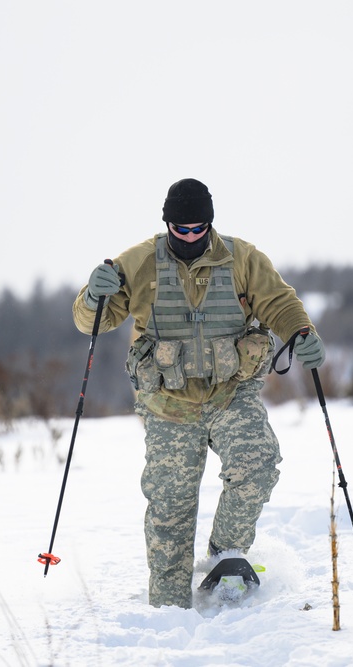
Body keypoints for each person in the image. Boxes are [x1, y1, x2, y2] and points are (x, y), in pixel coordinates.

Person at [72, 177, 325, 608]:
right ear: (167, 224)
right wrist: (93, 296)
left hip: (231, 392)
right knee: (170, 505)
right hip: (168, 403)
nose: (189, 237)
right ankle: (169, 609)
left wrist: (301, 332)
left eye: (198, 229)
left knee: (257, 461)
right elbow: (90, 320)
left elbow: (279, 303)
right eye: (181, 230)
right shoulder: (137, 263)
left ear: (209, 224)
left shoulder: (242, 258)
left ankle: (226, 555)